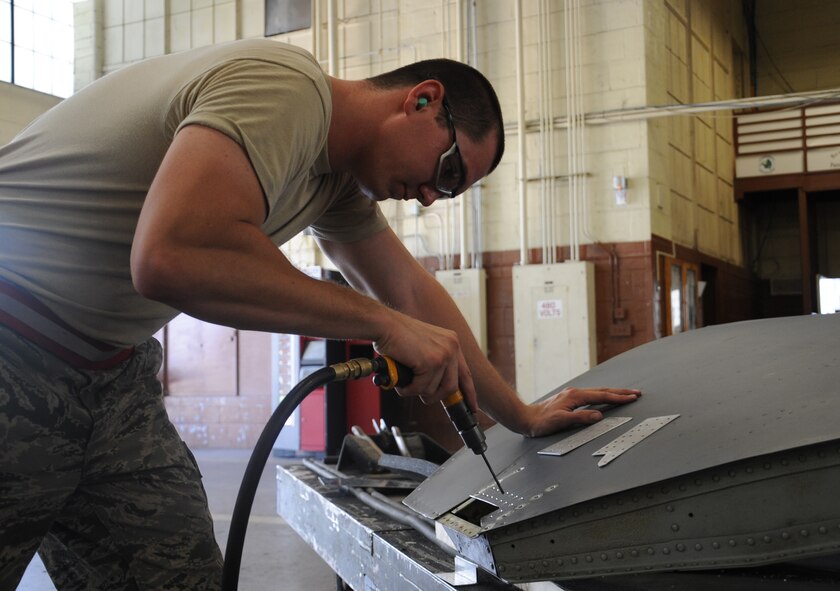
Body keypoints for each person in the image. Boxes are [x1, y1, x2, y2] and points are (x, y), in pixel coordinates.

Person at [0, 38, 640, 590]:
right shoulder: (287, 89)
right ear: (421, 99)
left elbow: (412, 295)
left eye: (446, 194)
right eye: (446, 171)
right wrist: (384, 325)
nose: (425, 196)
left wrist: (520, 416)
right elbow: (168, 254)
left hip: (111, 378)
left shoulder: (333, 182)